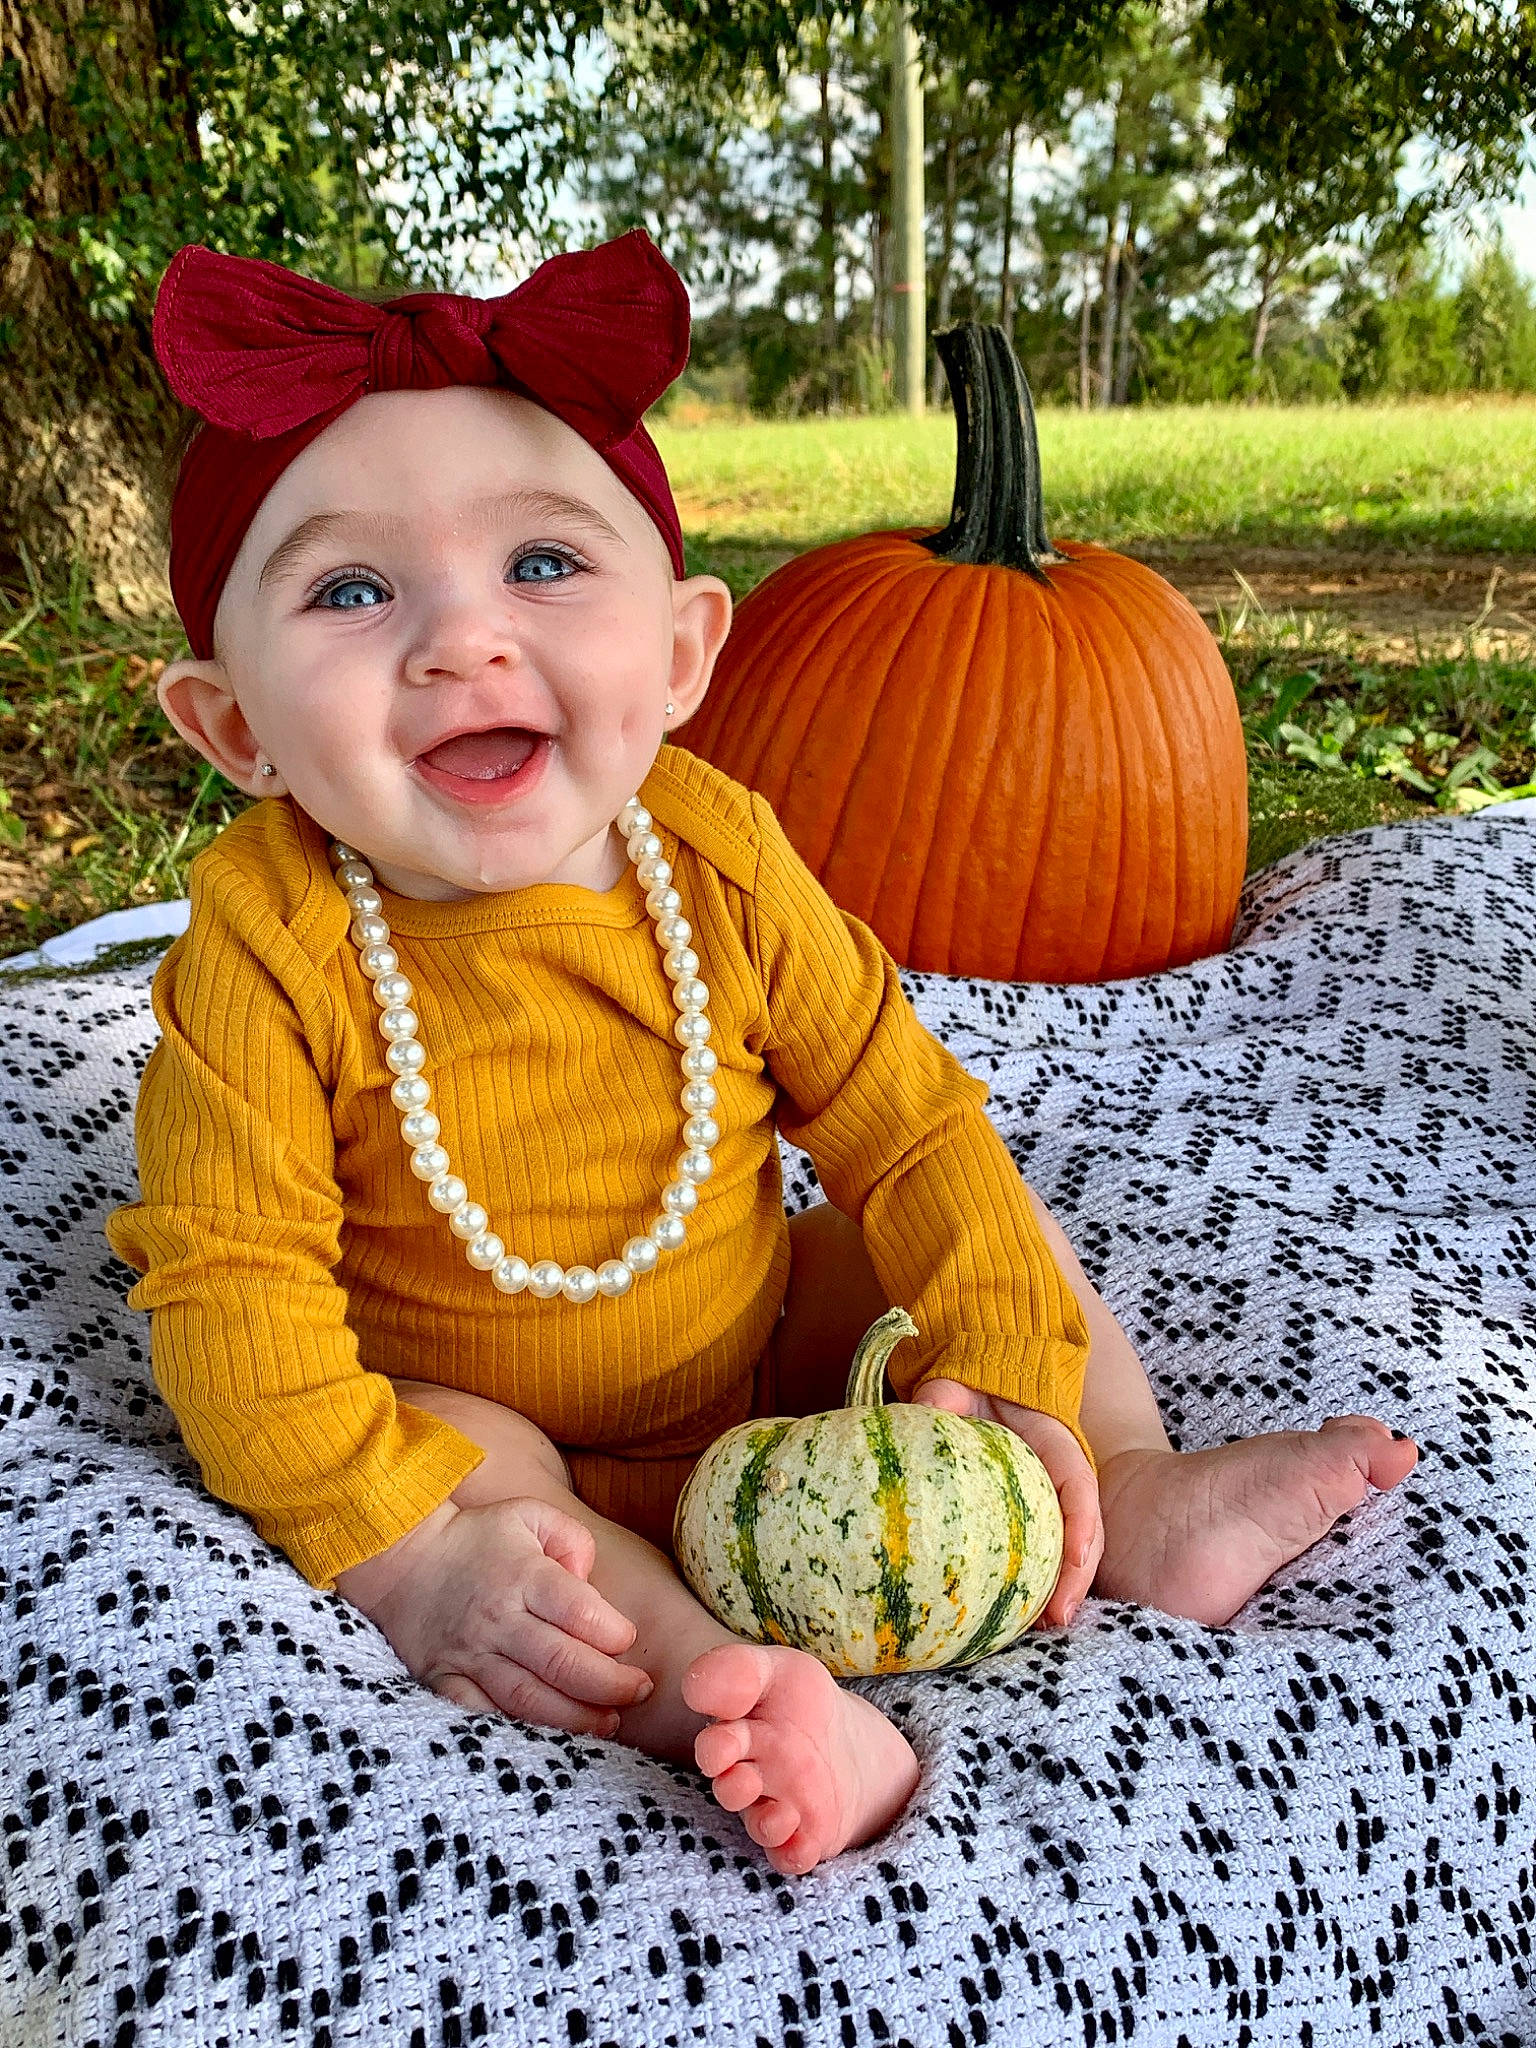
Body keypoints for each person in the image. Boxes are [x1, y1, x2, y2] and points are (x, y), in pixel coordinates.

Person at [103, 232, 1419, 1879]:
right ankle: (727, 1705)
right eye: (352, 591)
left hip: (755, 1334)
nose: (461, 642)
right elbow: (235, 1305)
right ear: (234, 728)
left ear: (677, 657)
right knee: (493, 1507)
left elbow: (909, 1118)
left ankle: (1129, 1499)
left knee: (972, 1243)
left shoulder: (714, 857)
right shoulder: (266, 944)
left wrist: (1003, 1350)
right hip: (485, 1400)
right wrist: (393, 1557)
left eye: (544, 569)